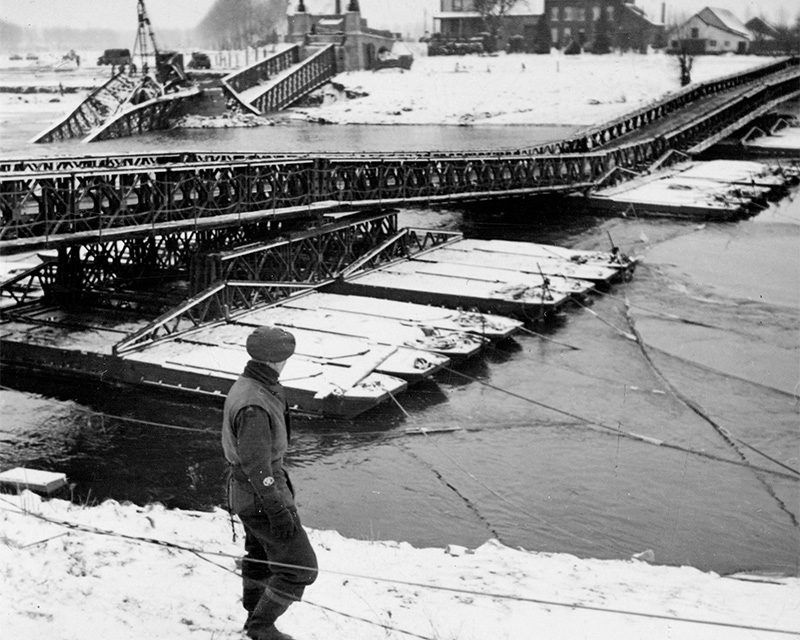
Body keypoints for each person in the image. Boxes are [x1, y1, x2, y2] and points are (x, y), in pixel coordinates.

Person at [221, 326, 318, 640]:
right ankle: (261, 627)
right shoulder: (255, 404)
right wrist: (278, 510)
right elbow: (256, 466)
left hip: (248, 493)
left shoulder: (251, 384)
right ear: (278, 361)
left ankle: (254, 618)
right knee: (300, 567)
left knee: (261, 557)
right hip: (261, 496)